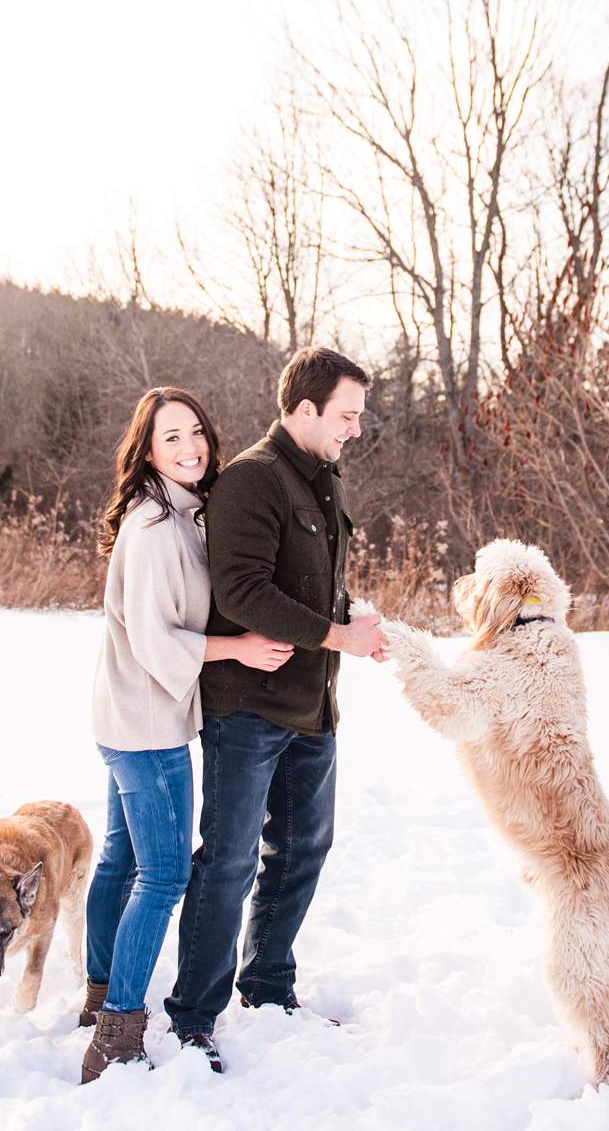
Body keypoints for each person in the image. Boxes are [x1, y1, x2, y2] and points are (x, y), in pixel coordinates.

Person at [163, 347, 387, 1072]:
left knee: (300, 853)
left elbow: (312, 585)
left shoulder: (325, 479)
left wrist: (354, 615)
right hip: (248, 709)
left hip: (312, 705)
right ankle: (193, 1017)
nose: (355, 427)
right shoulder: (253, 481)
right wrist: (336, 635)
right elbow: (242, 592)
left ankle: (267, 987)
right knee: (227, 862)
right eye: (346, 415)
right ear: (304, 411)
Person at [80, 388, 295, 1083]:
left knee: (119, 858)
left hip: (125, 715)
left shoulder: (183, 511)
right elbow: (153, 639)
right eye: (170, 438)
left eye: (195, 432)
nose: (189, 448)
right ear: (147, 450)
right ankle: (116, 1028)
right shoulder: (152, 527)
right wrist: (237, 649)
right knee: (165, 871)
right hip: (146, 724)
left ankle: (94, 990)